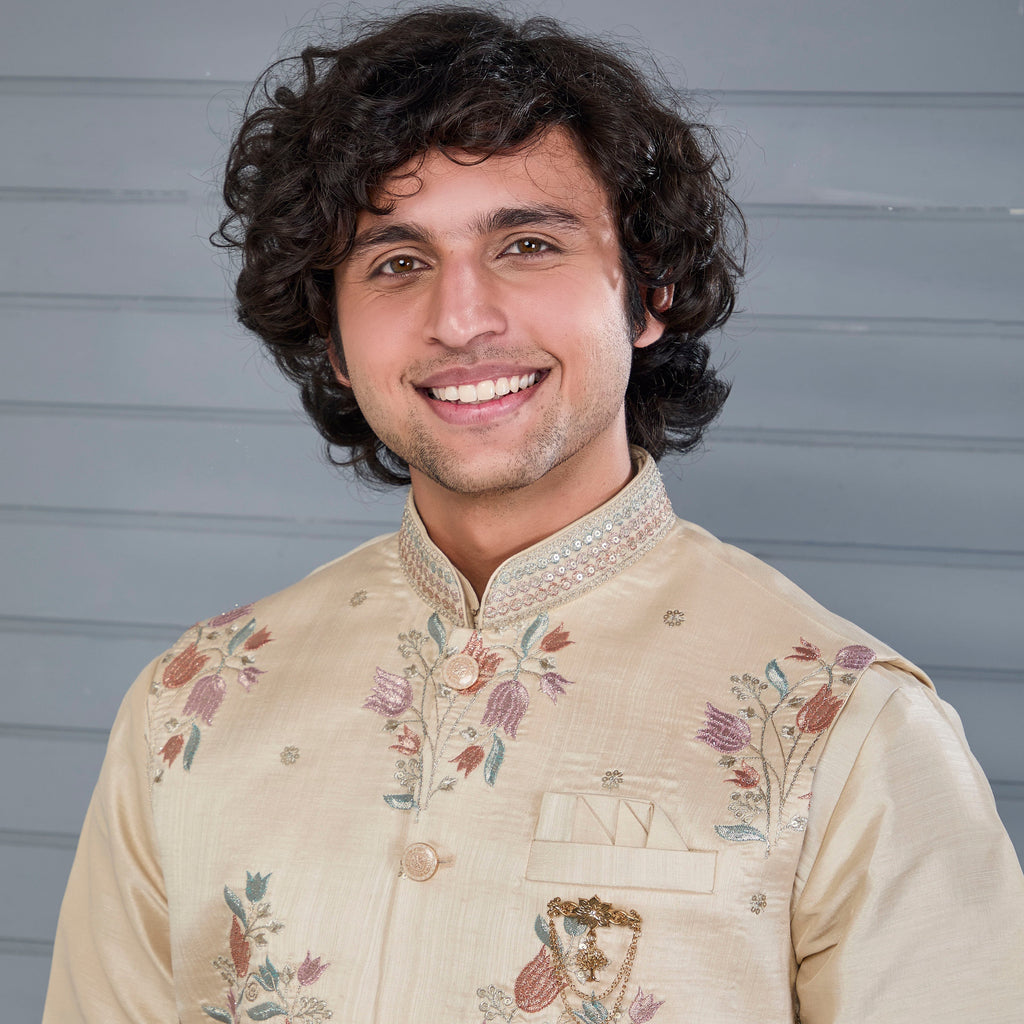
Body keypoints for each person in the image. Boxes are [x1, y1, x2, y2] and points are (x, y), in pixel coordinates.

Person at [43, 7, 1023, 1023]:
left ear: (647, 294)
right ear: (332, 338)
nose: (461, 317)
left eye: (526, 243)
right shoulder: (189, 709)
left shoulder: (847, 727)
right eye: (394, 260)